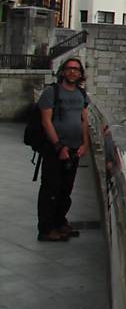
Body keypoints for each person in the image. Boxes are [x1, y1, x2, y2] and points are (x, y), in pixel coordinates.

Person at [36, 57, 90, 242]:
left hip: (75, 148)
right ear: (63, 71)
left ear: (81, 74)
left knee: (65, 190)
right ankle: (46, 229)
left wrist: (85, 144)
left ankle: (59, 222)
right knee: (50, 189)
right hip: (55, 148)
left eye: (76, 69)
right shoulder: (52, 92)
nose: (73, 72)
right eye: (69, 69)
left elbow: (84, 120)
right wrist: (59, 146)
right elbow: (46, 121)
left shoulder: (81, 95)